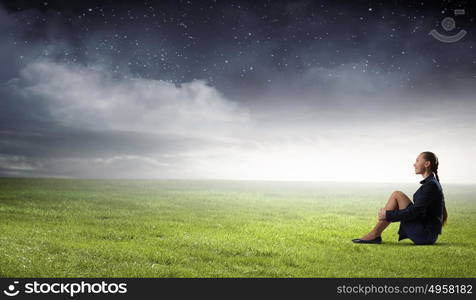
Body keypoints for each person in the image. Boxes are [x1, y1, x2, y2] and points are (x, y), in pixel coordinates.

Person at [352, 151, 448, 244]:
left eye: (417, 161)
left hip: (425, 235)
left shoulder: (431, 185)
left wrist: (387, 214)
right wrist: (388, 214)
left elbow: (414, 212)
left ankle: (374, 235)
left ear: (427, 164)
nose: (414, 164)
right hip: (427, 233)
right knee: (397, 194)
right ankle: (375, 234)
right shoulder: (431, 183)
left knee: (397, 195)